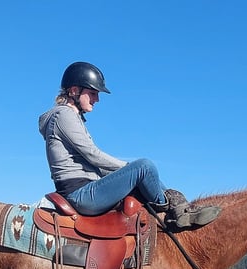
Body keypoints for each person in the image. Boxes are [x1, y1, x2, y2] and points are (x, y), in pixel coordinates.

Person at [38, 61, 220, 229]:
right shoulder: (63, 115)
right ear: (74, 91)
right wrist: (129, 169)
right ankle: (175, 210)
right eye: (93, 93)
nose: (97, 99)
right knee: (144, 166)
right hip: (80, 193)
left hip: (86, 189)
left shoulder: (70, 117)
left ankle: (178, 207)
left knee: (142, 172)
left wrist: (129, 174)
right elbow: (93, 155)